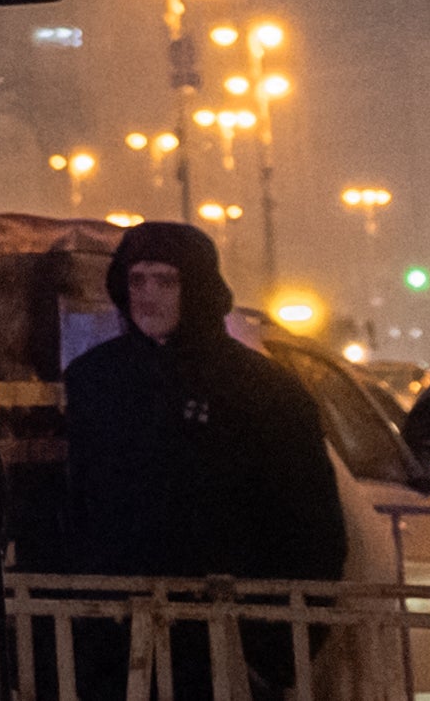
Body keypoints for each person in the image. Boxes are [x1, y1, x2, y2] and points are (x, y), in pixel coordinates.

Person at [57, 217, 347, 694]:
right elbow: (81, 504)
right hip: (117, 647)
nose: (148, 293)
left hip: (227, 649)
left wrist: (275, 656)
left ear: (197, 286)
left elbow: (311, 527)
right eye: (137, 279)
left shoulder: (261, 389)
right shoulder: (95, 379)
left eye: (165, 280)